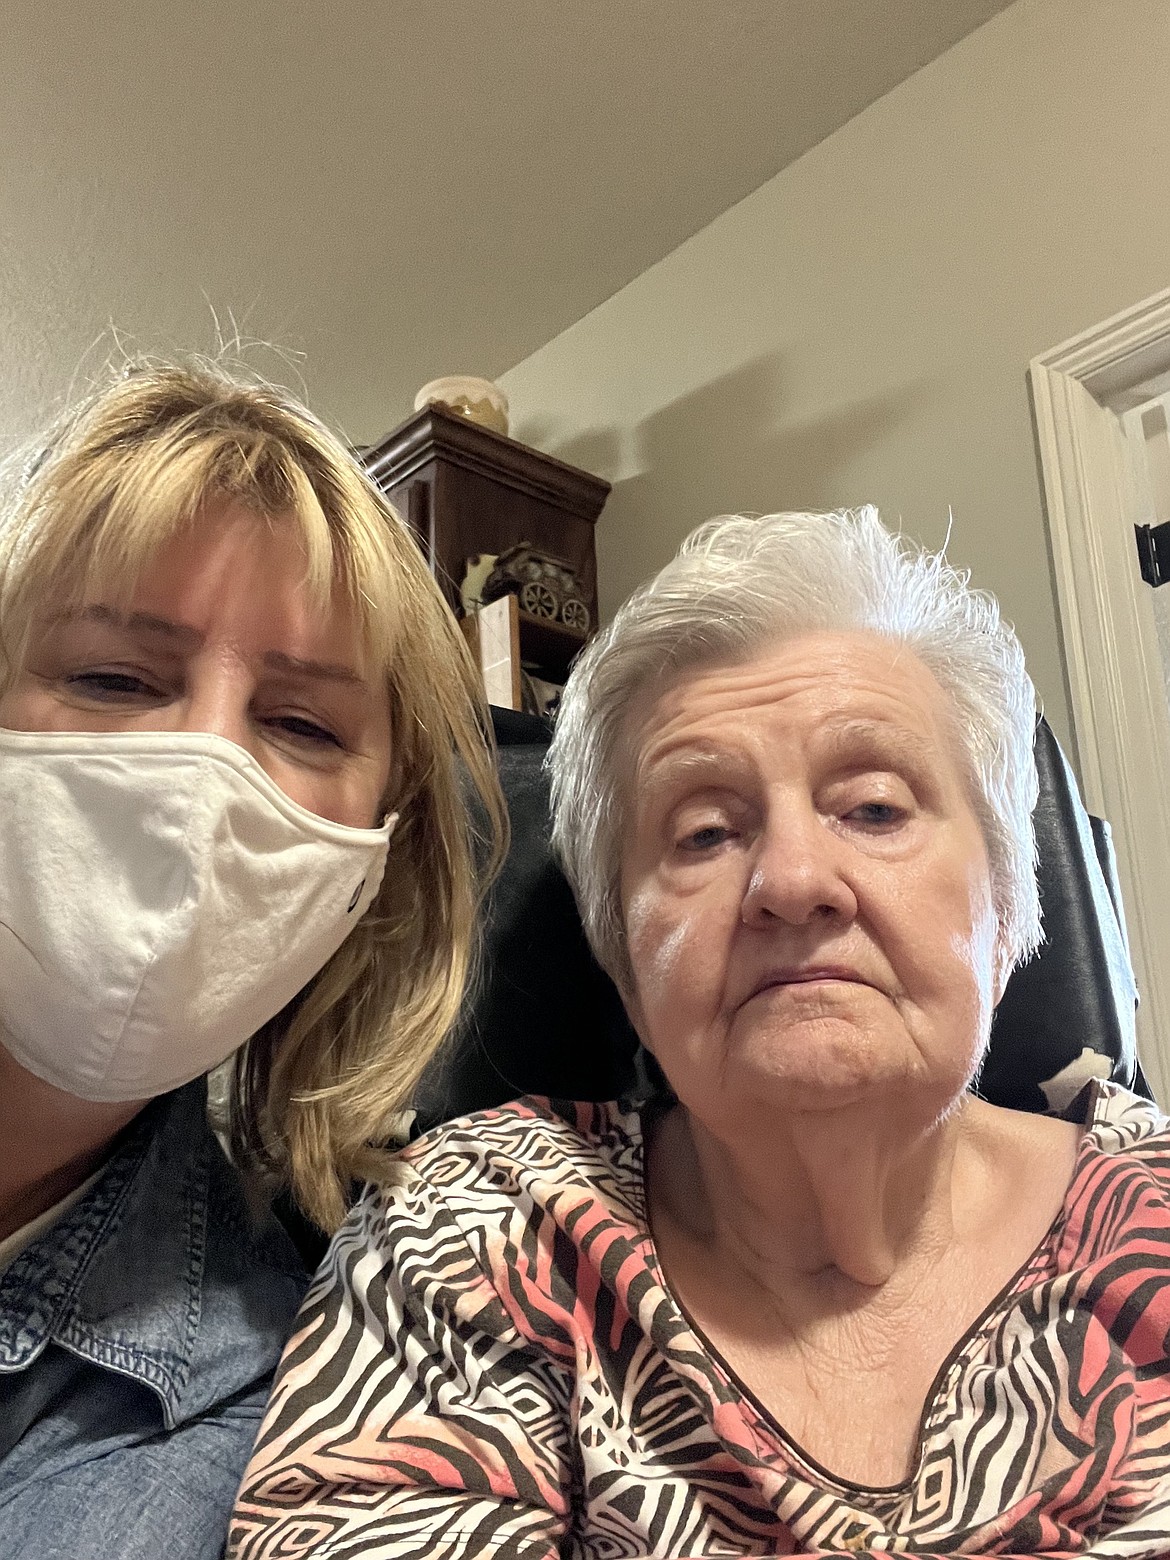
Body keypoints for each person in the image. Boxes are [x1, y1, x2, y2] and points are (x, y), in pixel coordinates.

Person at [230, 506, 1170, 1560]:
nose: (794, 883)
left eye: (872, 809)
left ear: (1005, 906)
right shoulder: (484, 1234)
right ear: (622, 958)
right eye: (706, 832)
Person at [0, 358, 505, 1560]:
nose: (203, 773)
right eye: (113, 678)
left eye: (301, 724)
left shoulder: (273, 1417)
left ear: (374, 866)